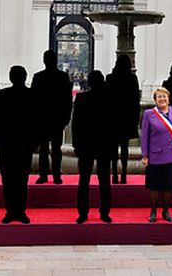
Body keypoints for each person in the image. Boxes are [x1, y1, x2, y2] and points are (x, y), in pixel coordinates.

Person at [141, 87, 172, 222]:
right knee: (155, 186)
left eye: (164, 97)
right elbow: (144, 136)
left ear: (168, 98)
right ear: (155, 100)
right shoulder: (149, 114)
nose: (162, 99)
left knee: (169, 186)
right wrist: (145, 155)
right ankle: (154, 210)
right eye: (159, 97)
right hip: (156, 156)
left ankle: (166, 210)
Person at [72, 70, 114, 224]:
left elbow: (75, 124)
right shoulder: (109, 99)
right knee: (104, 180)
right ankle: (104, 212)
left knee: (84, 180)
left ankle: (82, 212)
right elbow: (112, 125)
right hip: (104, 144)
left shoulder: (81, 98)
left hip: (86, 144)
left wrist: (76, 144)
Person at [0, 66, 36, 224]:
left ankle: (10, 211)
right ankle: (20, 211)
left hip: (7, 142)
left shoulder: (3, 95)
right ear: (25, 77)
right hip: (24, 142)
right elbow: (35, 120)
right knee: (22, 179)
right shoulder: (31, 95)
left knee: (8, 179)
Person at [31, 50, 73, 185]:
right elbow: (67, 99)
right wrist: (66, 117)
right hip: (57, 117)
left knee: (43, 148)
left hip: (42, 118)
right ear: (56, 60)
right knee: (56, 148)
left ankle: (43, 175)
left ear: (44, 61)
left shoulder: (38, 77)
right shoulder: (63, 77)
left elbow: (34, 100)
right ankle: (56, 174)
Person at [105, 54, 140, 184]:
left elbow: (106, 99)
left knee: (113, 148)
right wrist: (135, 119)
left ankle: (114, 173)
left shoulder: (110, 78)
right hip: (127, 117)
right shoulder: (132, 78)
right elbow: (136, 100)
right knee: (125, 147)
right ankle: (124, 173)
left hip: (113, 117)